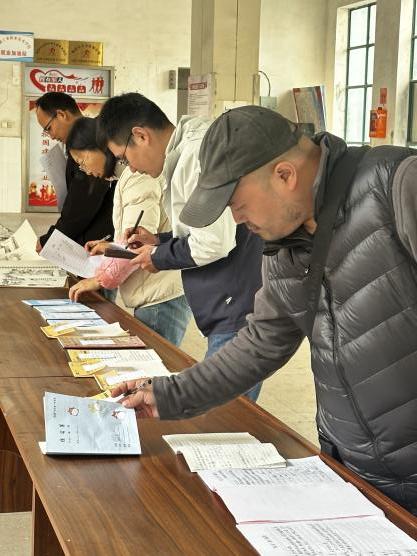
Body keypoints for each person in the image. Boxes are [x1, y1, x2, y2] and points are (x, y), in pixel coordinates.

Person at [113, 105, 417, 516]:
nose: (237, 219)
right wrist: (168, 394)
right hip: (354, 472)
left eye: (237, 203)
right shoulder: (284, 246)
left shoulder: (398, 187)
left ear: (285, 175)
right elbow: (260, 344)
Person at [97, 93, 263, 401]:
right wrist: (158, 240)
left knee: (223, 413)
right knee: (218, 404)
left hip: (235, 305)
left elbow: (215, 242)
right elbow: (204, 230)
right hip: (226, 302)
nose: (130, 168)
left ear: (141, 135)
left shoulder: (194, 156)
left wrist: (158, 257)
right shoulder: (185, 149)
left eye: (124, 158)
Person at [66, 117, 190, 347]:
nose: (85, 169)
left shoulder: (137, 177)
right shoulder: (128, 177)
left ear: (102, 147)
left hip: (159, 294)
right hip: (154, 290)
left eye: (82, 160)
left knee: (156, 361)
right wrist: (111, 246)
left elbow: (137, 244)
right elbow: (141, 236)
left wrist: (98, 279)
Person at [35, 92, 114, 251]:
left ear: (61, 115)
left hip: (98, 242)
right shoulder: (82, 142)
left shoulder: (91, 141)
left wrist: (51, 239)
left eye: (49, 128)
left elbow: (81, 206)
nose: (51, 136)